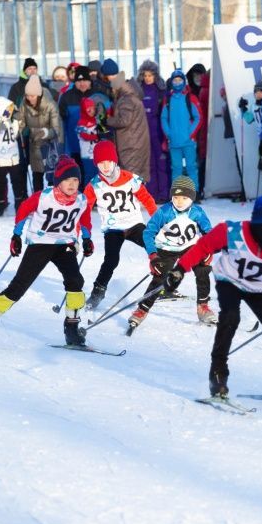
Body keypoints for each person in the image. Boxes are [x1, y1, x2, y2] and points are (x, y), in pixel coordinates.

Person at [164, 194, 262, 401]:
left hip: (261, 291)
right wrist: (180, 269)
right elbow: (203, 247)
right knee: (230, 318)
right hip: (230, 283)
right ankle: (218, 375)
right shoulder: (232, 232)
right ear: (256, 223)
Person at [0, 156, 94, 352]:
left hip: (64, 244)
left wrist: (86, 238)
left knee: (75, 281)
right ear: (58, 182)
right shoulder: (43, 197)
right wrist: (16, 236)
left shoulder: (81, 200)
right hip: (40, 244)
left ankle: (72, 329)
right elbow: (23, 210)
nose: (72, 184)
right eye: (67, 180)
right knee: (17, 288)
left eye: (76, 180)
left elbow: (84, 219)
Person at [127, 175, 215, 331]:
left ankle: (203, 306)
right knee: (160, 277)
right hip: (166, 248)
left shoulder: (197, 213)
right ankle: (142, 309)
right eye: (175, 197)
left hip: (189, 246)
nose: (179, 201)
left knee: (203, 269)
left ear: (192, 198)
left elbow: (208, 232)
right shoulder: (164, 212)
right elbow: (148, 233)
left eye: (184, 197)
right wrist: (153, 256)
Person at [81, 140, 157, 310]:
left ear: (115, 161)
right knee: (111, 260)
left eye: (108, 161)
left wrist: (158, 222)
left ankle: (162, 282)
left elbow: (147, 200)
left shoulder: (130, 178)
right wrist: (86, 236)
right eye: (101, 163)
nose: (105, 166)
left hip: (134, 224)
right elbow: (84, 211)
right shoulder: (94, 185)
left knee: (155, 248)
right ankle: (97, 293)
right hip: (113, 229)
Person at [161, 70, 201, 192]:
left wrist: (190, 133)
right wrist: (169, 134)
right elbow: (164, 118)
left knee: (191, 167)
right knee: (176, 169)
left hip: (188, 141)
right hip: (174, 142)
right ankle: (176, 193)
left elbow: (198, 117)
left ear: (184, 82)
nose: (177, 83)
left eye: (180, 80)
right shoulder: (168, 100)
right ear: (171, 82)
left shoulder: (190, 98)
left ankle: (194, 192)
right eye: (175, 80)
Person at [20, 74, 62, 192]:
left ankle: (54, 199)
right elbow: (21, 119)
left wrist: (46, 132)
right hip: (35, 144)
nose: (29, 98)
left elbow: (57, 128)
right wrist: (18, 126)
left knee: (52, 175)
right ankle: (37, 201)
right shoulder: (25, 103)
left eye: (32, 95)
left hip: (50, 145)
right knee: (37, 175)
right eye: (27, 95)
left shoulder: (51, 105)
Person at [0, 96, 24, 217]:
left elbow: (17, 133)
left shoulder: (13, 120)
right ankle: (0, 205)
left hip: (13, 156)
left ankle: (19, 204)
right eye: (8, 109)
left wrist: (18, 121)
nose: (10, 111)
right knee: (0, 182)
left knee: (17, 181)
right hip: (0, 157)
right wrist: (0, 125)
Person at [135, 60, 169, 201]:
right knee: (149, 164)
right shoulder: (138, 91)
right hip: (144, 132)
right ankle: (152, 194)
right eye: (145, 75)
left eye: (151, 75)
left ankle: (164, 193)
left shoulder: (161, 90)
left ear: (156, 75)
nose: (148, 78)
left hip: (159, 131)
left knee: (162, 163)